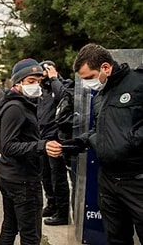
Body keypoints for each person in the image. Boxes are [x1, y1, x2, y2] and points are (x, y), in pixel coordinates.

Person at [63, 43, 143, 244]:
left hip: (137, 181)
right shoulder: (101, 96)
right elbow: (99, 129)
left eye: (89, 77)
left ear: (106, 67)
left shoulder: (138, 83)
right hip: (108, 181)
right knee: (116, 238)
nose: (88, 83)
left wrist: (130, 141)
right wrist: (78, 142)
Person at [0, 58, 62, 245]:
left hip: (14, 176)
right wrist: (41, 146)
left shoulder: (23, 104)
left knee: (10, 226)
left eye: (39, 81)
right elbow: (7, 146)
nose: (36, 85)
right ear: (18, 82)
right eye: (31, 81)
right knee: (30, 235)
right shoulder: (16, 108)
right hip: (22, 181)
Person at [37, 60, 71, 225]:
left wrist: (54, 78)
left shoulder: (62, 85)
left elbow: (63, 98)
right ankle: (51, 203)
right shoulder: (41, 90)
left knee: (58, 177)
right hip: (42, 137)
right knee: (45, 175)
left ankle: (63, 212)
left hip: (56, 137)